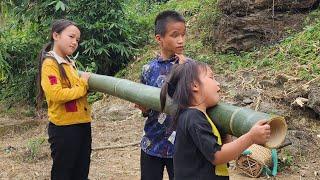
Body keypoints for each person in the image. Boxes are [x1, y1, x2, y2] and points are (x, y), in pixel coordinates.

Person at [160, 60, 271, 180]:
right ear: (194, 85)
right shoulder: (193, 117)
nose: (218, 83)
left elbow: (229, 153)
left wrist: (224, 128)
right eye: (212, 77)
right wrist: (251, 137)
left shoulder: (202, 116)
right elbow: (217, 155)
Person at [135, 10, 188, 180]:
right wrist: (143, 108)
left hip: (181, 146)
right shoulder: (148, 70)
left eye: (183, 35)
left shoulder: (191, 67)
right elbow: (145, 111)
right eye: (175, 35)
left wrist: (185, 72)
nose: (181, 40)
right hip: (152, 142)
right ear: (159, 38)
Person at [36, 19, 92, 180]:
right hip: (64, 129)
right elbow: (56, 94)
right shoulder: (50, 63)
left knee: (81, 171)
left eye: (77, 40)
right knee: (63, 173)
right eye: (71, 36)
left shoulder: (69, 62)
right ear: (56, 35)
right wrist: (83, 85)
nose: (75, 42)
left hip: (81, 124)